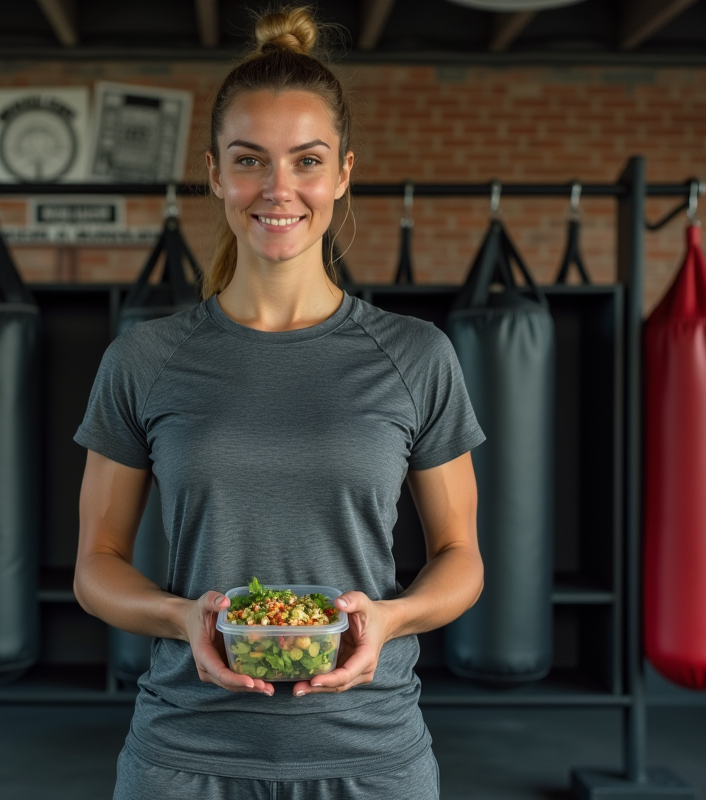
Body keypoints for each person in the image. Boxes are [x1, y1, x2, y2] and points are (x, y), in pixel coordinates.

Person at [73, 7, 485, 799]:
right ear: (216, 173)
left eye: (307, 160)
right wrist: (183, 617)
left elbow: (461, 557)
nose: (279, 188)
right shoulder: (144, 360)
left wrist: (390, 620)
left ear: (343, 174)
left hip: (371, 756)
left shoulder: (415, 356)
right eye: (251, 160)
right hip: (183, 756)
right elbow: (96, 566)